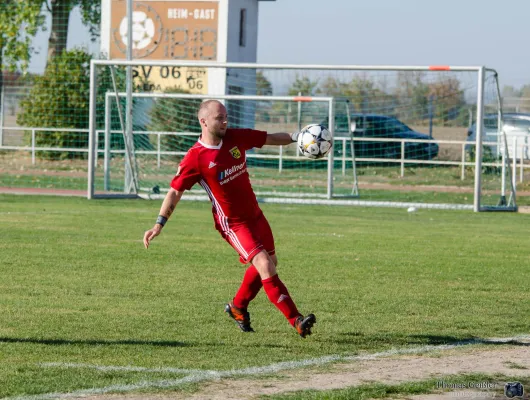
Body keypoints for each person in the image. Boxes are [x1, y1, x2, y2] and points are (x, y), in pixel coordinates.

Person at [143, 99, 316, 338]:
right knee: (264, 264)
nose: (225, 121)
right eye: (219, 117)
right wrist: (158, 224)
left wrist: (298, 136)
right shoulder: (195, 158)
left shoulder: (235, 137)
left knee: (271, 262)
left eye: (226, 116)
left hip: (255, 214)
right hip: (233, 223)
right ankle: (296, 320)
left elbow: (269, 139)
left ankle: (237, 306)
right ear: (203, 121)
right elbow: (175, 191)